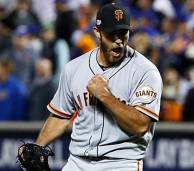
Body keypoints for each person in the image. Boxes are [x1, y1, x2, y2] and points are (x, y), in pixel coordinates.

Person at [19, 3, 162, 171]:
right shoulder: (74, 68)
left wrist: (104, 96)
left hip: (121, 163)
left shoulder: (145, 71)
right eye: (112, 34)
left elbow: (140, 126)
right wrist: (39, 147)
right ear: (97, 32)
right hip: (77, 162)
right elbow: (61, 115)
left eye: (123, 33)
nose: (118, 40)